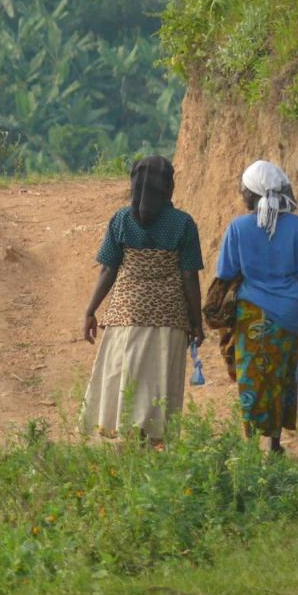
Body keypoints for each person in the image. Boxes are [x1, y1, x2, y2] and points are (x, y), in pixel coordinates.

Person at [205, 159, 298, 454]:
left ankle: (250, 444)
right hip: (291, 316)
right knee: (281, 376)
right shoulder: (297, 227)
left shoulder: (238, 228)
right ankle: (274, 444)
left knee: (253, 378)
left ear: (255, 193)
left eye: (244, 190)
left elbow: (226, 273)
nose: (241, 194)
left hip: (252, 314)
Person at [80, 156, 204, 443]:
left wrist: (90, 311)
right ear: (168, 187)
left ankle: (119, 435)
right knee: (159, 382)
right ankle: (154, 441)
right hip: (170, 318)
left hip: (126, 316)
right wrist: (196, 323)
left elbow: (108, 268)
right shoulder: (183, 224)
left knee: (123, 379)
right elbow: (189, 277)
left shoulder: (121, 219)